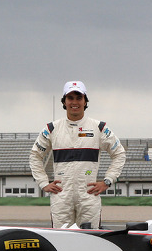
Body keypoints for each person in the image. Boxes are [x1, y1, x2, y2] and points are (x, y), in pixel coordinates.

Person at [29, 80, 126, 229]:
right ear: (64, 101)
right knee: (61, 242)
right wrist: (43, 183)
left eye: (79, 98)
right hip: (61, 197)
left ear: (85, 101)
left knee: (91, 241)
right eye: (70, 98)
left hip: (88, 196)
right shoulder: (52, 128)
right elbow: (35, 156)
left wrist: (107, 181)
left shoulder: (99, 128)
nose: (75, 102)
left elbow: (119, 153)